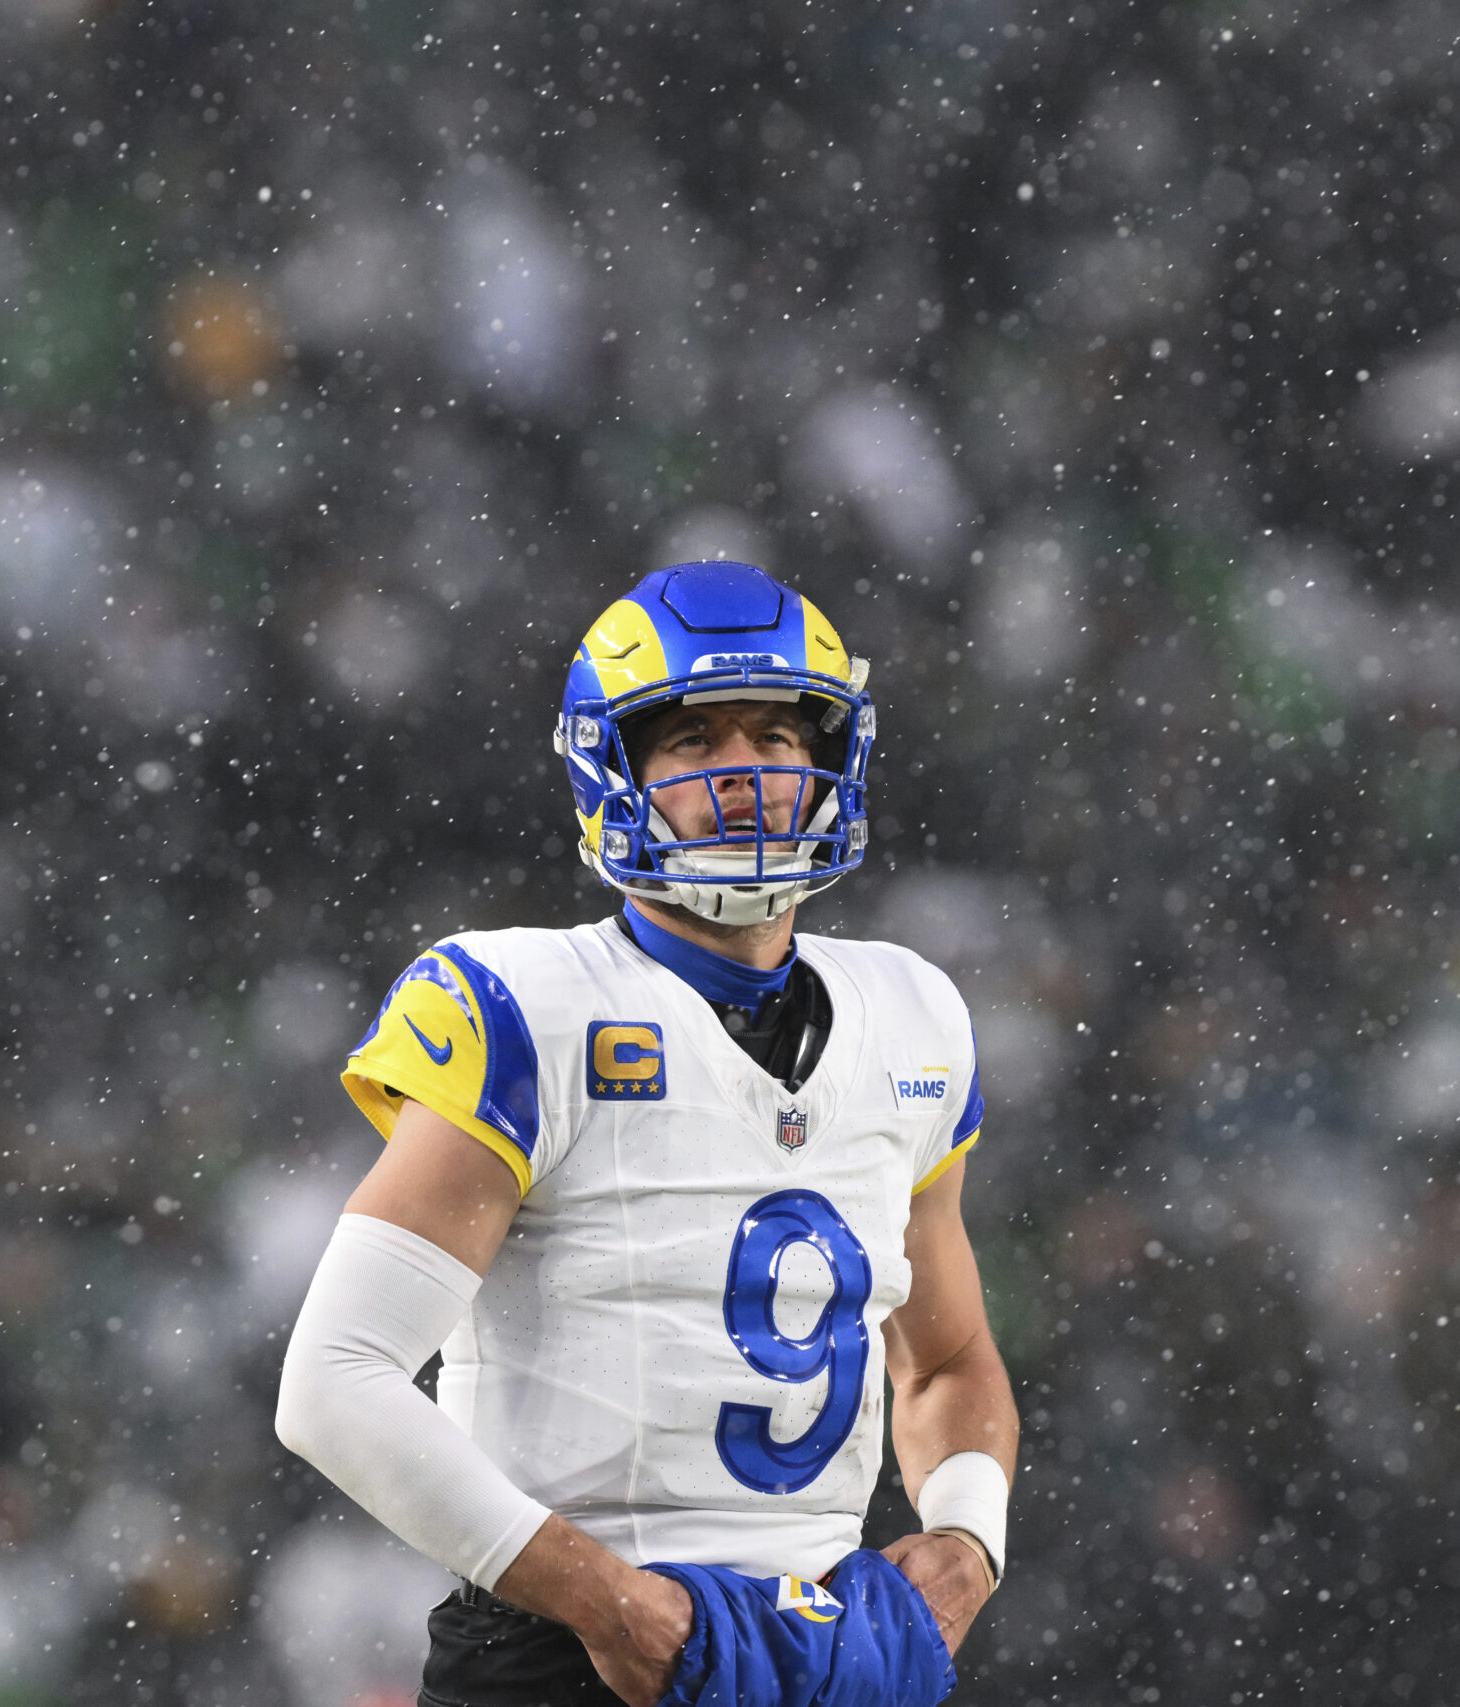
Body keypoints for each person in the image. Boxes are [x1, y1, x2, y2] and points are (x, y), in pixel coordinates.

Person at [275, 560, 1018, 1707]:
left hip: (824, 1651)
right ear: (611, 769)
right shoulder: (524, 1005)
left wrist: (965, 1549)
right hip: (563, 1655)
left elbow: (949, 1361)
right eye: (693, 742)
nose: (744, 776)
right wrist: (605, 1601)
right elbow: (333, 1380)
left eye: (775, 737)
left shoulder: (912, 1014)